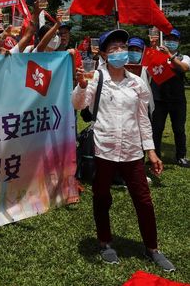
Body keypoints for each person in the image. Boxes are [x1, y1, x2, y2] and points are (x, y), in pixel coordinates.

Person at [72, 29, 175, 271]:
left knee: (144, 200)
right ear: (105, 54)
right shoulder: (96, 78)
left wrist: (151, 151)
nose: (120, 51)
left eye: (123, 46)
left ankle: (152, 249)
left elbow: (143, 119)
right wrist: (81, 86)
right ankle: (105, 242)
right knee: (102, 197)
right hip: (104, 149)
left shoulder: (137, 82)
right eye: (114, 48)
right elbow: (77, 104)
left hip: (131, 151)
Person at [150, 28, 189, 167]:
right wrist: (154, 48)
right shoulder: (157, 55)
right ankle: (155, 156)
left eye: (174, 39)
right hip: (158, 99)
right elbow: (147, 61)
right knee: (156, 129)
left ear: (178, 42)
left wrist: (170, 56)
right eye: (168, 39)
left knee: (179, 129)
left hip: (177, 100)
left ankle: (181, 156)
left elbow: (184, 68)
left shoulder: (184, 57)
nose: (170, 41)